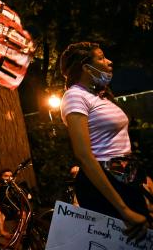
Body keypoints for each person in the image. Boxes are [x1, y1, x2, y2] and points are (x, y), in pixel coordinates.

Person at [60, 42, 150, 242]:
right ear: (85, 67)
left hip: (123, 176)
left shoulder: (99, 95)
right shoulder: (74, 96)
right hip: (103, 184)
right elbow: (84, 156)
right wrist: (123, 209)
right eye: (101, 58)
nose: (109, 62)